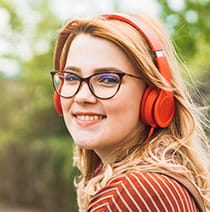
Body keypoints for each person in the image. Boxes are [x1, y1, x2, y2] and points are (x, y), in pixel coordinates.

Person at [50, 13, 209, 212]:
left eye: (107, 79)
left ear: (154, 97)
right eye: (71, 77)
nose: (82, 96)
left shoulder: (135, 193)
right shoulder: (159, 183)